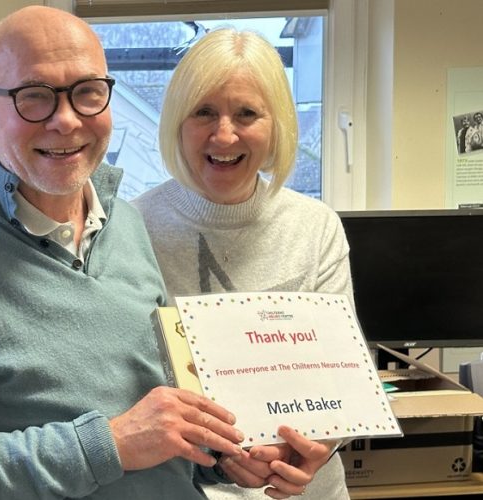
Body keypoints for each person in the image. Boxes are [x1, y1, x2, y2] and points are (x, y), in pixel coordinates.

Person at [0, 7, 330, 499]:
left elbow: (159, 428)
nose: (66, 120)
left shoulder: (126, 223)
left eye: (87, 93)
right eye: (34, 97)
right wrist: (108, 444)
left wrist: (228, 460)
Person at [133, 28, 351, 500]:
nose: (225, 134)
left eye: (247, 113)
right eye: (204, 112)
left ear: (277, 126)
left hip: (302, 489)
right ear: (177, 121)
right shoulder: (130, 227)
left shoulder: (317, 228)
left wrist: (314, 448)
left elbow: (342, 377)